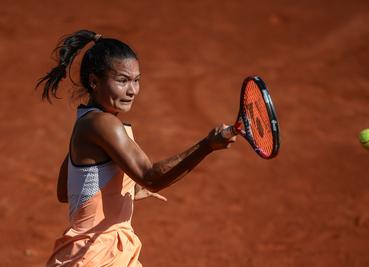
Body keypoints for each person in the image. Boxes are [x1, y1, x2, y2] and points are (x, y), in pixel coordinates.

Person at [36, 29, 236, 266]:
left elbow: (65, 191)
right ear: (94, 81)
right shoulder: (103, 124)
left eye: (136, 80)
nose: (132, 90)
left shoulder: (87, 122)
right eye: (122, 80)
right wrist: (207, 145)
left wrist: (122, 190)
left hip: (103, 252)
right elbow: (150, 177)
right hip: (95, 256)